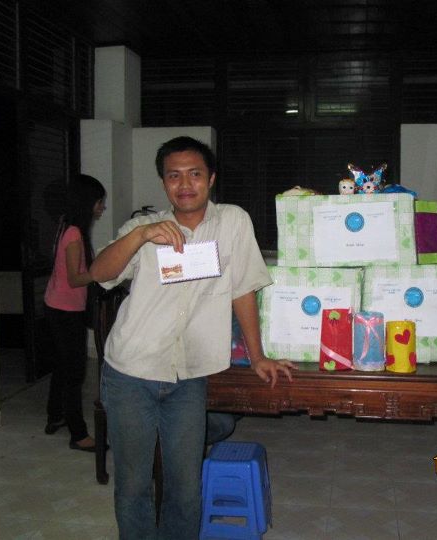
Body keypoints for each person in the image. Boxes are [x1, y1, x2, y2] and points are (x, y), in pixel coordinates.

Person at [90, 136, 295, 539]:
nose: (185, 184)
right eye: (174, 176)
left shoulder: (233, 221)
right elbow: (99, 273)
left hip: (189, 376)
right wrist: (142, 235)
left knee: (185, 487)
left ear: (211, 178)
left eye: (195, 174)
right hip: (131, 370)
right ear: (164, 183)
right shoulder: (143, 228)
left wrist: (257, 356)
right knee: (133, 484)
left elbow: (243, 290)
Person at [43, 174, 107, 452]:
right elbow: (74, 279)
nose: (102, 207)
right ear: (87, 202)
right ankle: (78, 434)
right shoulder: (73, 233)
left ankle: (56, 415)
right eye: (99, 201)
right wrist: (102, 271)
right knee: (74, 371)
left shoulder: (68, 226)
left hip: (60, 305)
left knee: (62, 364)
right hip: (64, 309)